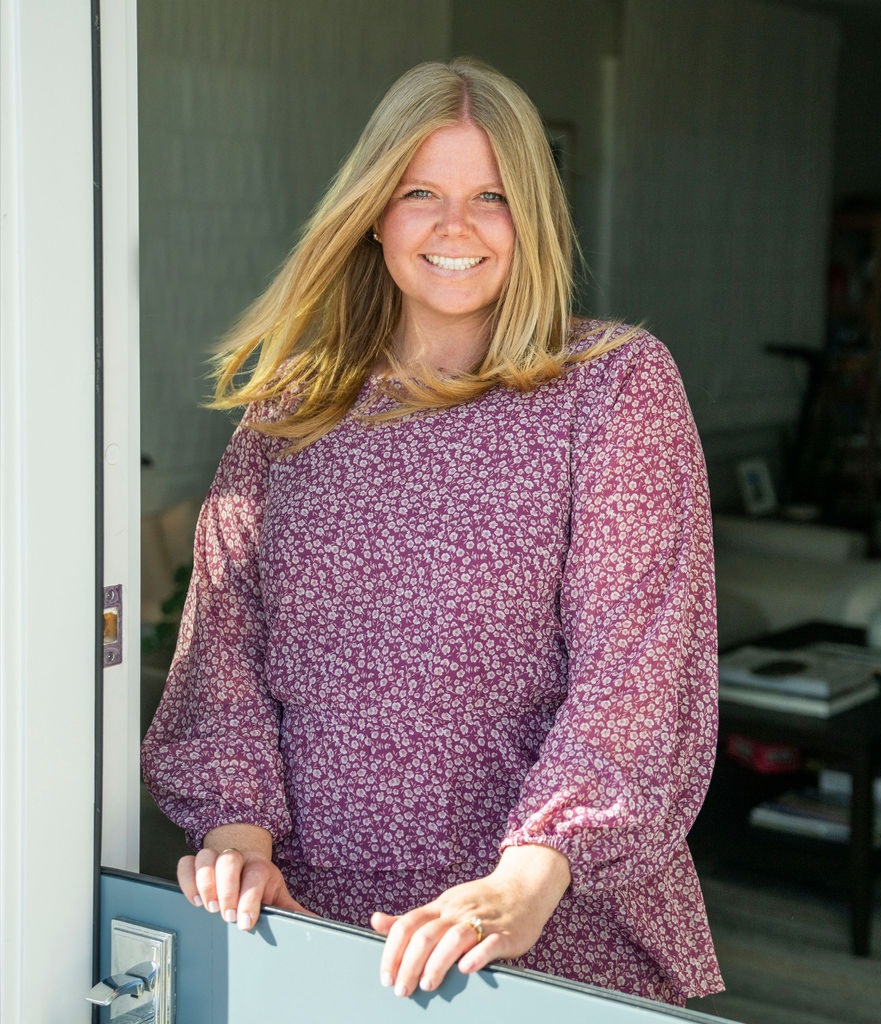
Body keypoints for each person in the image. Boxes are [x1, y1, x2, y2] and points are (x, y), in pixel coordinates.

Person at [141, 56, 724, 1007]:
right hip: (312, 929)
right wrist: (238, 837)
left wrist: (524, 880)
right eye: (422, 192)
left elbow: (640, 668)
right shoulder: (296, 409)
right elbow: (227, 649)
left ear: (532, 215)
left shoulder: (614, 388)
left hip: (540, 937)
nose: (456, 227)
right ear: (374, 211)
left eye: (491, 196)